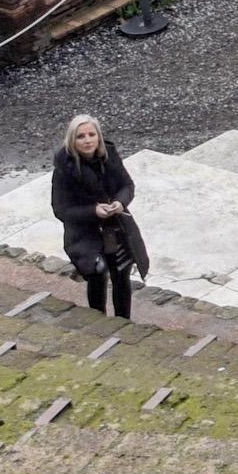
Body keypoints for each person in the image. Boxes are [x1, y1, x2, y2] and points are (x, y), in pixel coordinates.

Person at [50, 114, 145, 320]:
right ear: (72, 140)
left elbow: (127, 185)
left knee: (122, 273)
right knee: (97, 273)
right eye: (81, 136)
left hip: (116, 225)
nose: (87, 140)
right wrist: (93, 211)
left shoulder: (109, 155)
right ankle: (98, 319)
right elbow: (61, 209)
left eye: (92, 135)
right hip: (85, 232)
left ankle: (123, 321)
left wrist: (119, 202)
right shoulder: (64, 169)